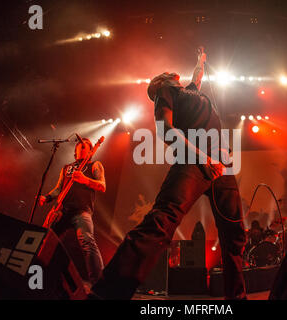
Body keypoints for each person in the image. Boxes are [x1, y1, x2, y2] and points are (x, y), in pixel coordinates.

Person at [91, 48, 247, 300]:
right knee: (161, 222)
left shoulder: (188, 91)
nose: (169, 73)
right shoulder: (165, 92)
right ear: (158, 84)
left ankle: (237, 298)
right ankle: (105, 295)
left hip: (223, 164)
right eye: (163, 75)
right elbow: (166, 130)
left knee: (235, 235)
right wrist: (202, 158)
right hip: (193, 161)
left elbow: (196, 80)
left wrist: (200, 61)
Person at [38, 138, 106, 290]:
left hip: (82, 211)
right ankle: (39, 275)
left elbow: (102, 186)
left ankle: (99, 285)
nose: (82, 148)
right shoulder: (66, 168)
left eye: (85, 146)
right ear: (75, 151)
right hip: (62, 211)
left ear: (90, 151)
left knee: (87, 242)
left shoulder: (94, 165)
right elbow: (58, 188)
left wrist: (85, 180)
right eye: (79, 146)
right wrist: (47, 197)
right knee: (45, 240)